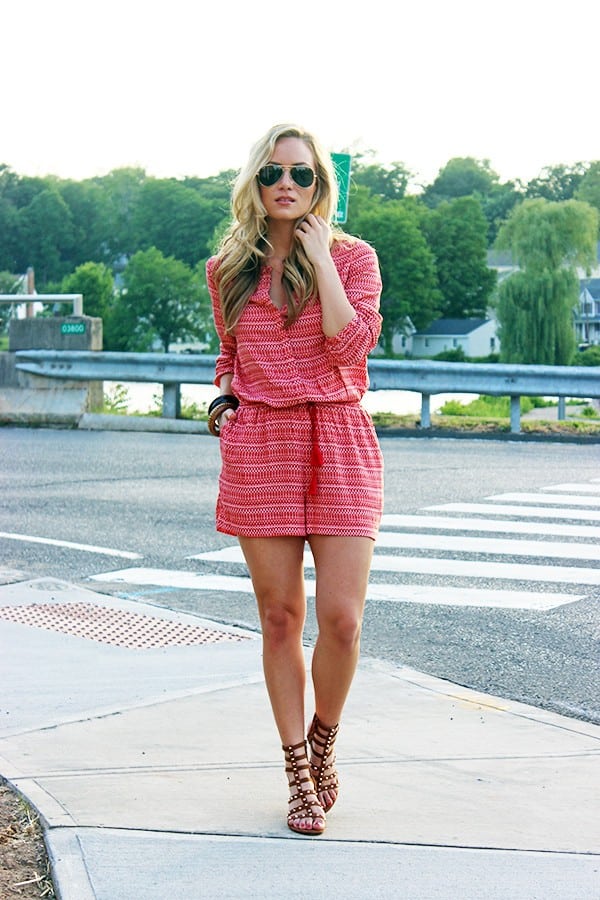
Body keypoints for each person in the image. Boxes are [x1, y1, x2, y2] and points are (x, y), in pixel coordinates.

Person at [206, 123, 384, 836]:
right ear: (255, 182)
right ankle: (295, 773)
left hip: (339, 438)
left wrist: (321, 259)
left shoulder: (356, 257)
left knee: (342, 620)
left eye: (302, 175)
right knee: (281, 619)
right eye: (275, 173)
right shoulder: (228, 267)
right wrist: (224, 396)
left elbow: (350, 343)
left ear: (321, 186)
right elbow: (228, 352)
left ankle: (325, 740)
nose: (287, 185)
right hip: (261, 446)